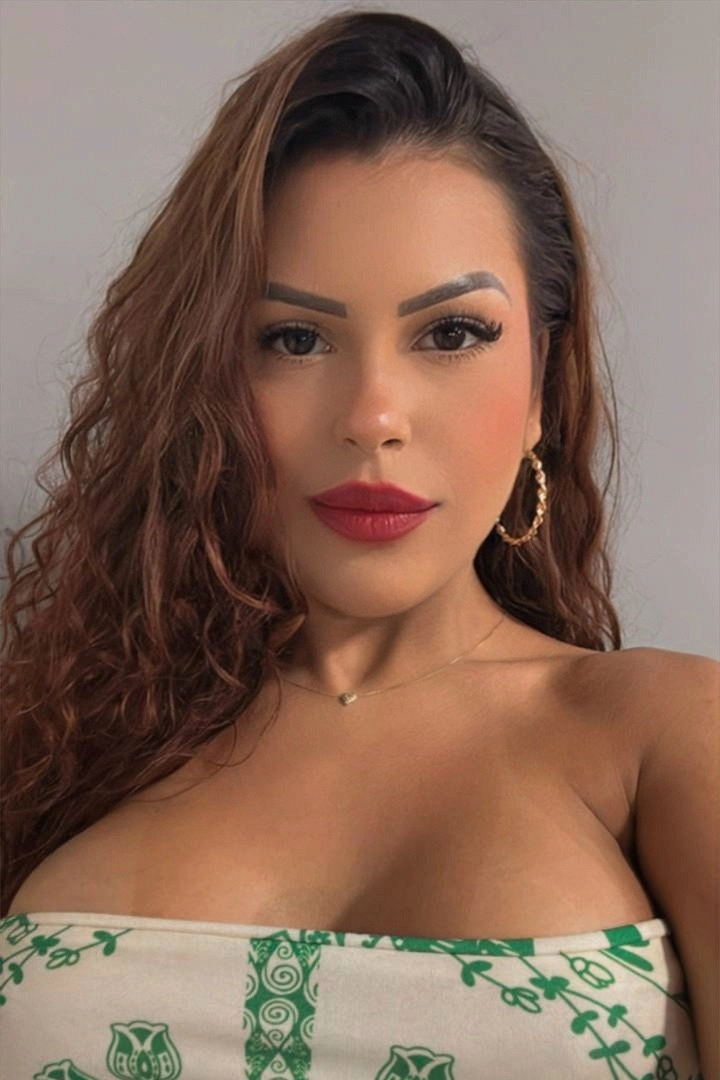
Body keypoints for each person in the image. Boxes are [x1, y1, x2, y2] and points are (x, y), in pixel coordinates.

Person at [1, 9, 716, 1077]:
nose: (372, 416)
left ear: (543, 387)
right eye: (294, 339)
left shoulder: (667, 739)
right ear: (205, 382)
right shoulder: (59, 745)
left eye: (452, 334)